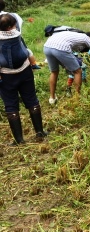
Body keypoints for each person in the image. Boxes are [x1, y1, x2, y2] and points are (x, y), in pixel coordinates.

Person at [0, 13, 47, 144]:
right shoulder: (17, 34)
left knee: (11, 105)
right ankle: (40, 132)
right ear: (11, 26)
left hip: (6, 76)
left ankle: (19, 140)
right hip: (25, 70)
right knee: (32, 99)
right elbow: (26, 50)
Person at [43, 29, 90, 104]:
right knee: (78, 71)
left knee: (54, 72)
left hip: (47, 46)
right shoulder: (86, 38)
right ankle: (77, 98)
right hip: (60, 48)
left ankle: (52, 98)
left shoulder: (74, 35)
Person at [0, 0, 41, 70]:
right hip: (19, 45)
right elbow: (19, 29)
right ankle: (33, 64)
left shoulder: (5, 18)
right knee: (28, 52)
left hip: (5, 63)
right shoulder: (14, 15)